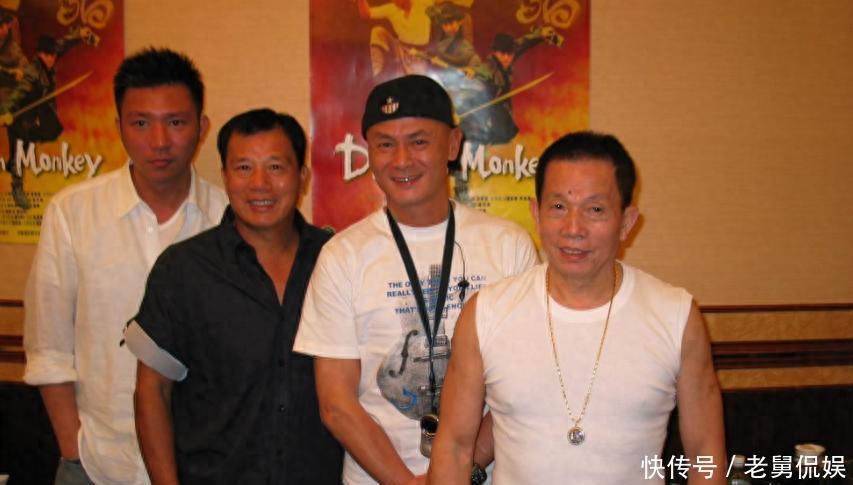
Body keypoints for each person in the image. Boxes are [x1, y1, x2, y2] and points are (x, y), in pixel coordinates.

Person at [426, 131, 727, 484]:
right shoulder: (486, 313)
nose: (573, 228)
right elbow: (454, 447)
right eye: (558, 207)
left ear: (627, 222)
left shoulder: (675, 316)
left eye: (595, 209)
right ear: (536, 214)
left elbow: (705, 451)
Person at [294, 74, 539, 484]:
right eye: (385, 144)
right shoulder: (341, 256)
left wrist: (463, 468)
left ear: (453, 144)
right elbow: (336, 404)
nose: (402, 160)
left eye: (419, 141)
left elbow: (523, 383)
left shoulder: (508, 247)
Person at [23, 48, 228, 485]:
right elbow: (48, 348)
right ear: (118, 127)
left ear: (201, 127)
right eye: (141, 123)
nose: (159, 141)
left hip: (200, 465)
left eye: (176, 122)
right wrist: (73, 449)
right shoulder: (72, 213)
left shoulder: (228, 220)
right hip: (96, 462)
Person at [125, 108, 344, 484]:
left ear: (302, 177)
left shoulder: (337, 261)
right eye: (244, 168)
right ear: (225, 177)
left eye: (275, 167)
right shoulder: (183, 270)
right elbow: (152, 392)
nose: (260, 184)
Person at [0, 31, 90, 209]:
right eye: (48, 55)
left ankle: (14, 161)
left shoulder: (50, 59)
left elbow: (62, 44)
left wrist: (79, 35)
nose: (52, 59)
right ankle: (17, 188)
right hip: (19, 118)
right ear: (40, 54)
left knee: (52, 131)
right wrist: (4, 112)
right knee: (20, 153)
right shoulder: (31, 74)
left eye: (53, 55)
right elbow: (17, 95)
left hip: (36, 114)